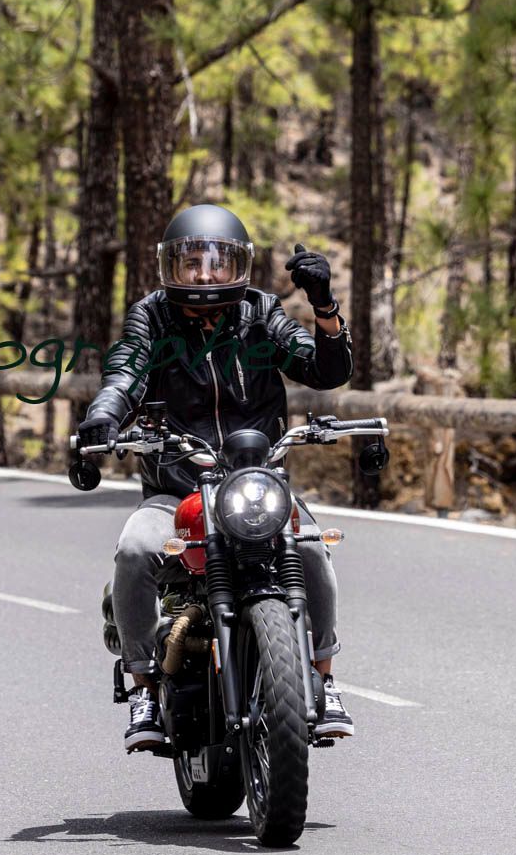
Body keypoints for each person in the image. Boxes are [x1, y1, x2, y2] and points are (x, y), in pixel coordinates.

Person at [76, 204, 357, 750]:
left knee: (314, 552)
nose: (204, 274)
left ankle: (323, 679)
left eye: (217, 262)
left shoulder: (261, 313)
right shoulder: (152, 318)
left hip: (256, 487)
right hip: (176, 489)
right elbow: (127, 370)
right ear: (169, 268)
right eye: (190, 263)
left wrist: (324, 306)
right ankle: (140, 686)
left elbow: (326, 371)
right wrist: (105, 415)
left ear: (240, 267)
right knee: (135, 550)